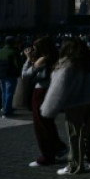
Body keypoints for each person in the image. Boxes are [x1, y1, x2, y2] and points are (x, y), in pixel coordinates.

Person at [41, 38, 90, 175]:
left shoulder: (67, 64)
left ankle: (75, 165)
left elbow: (58, 89)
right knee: (86, 133)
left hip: (75, 104)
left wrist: (48, 109)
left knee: (75, 135)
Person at [22, 37, 67, 167]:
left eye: (35, 48)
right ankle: (58, 147)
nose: (33, 50)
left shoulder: (42, 59)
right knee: (48, 123)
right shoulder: (55, 57)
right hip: (50, 90)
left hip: (40, 92)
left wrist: (27, 59)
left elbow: (25, 75)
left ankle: (47, 155)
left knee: (40, 125)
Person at [0, 36, 22, 117]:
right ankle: (7, 111)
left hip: (0, 75)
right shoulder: (14, 52)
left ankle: (5, 108)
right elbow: (18, 65)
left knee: (4, 92)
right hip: (11, 74)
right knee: (9, 93)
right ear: (13, 43)